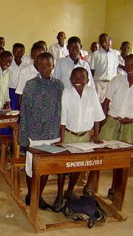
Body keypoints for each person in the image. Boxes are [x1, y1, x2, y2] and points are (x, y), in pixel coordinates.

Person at [52, 67, 105, 212]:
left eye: (82, 78)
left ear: (88, 80)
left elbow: (97, 115)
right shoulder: (67, 93)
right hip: (69, 134)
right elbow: (62, 118)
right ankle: (59, 195)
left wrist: (96, 135)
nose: (78, 81)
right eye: (74, 77)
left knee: (78, 165)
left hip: (85, 137)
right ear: (70, 80)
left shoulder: (91, 92)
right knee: (64, 167)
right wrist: (62, 139)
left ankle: (69, 191)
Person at [84, 54, 133, 198]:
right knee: (100, 154)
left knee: (123, 160)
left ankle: (115, 189)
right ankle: (90, 186)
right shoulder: (117, 81)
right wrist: (101, 126)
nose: (130, 68)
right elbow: (105, 104)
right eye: (127, 65)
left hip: (130, 125)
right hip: (113, 121)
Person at [19, 52, 63, 209]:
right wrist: (24, 138)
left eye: (49, 65)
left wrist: (60, 135)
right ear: (37, 66)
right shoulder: (30, 85)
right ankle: (32, 195)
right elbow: (24, 112)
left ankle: (38, 195)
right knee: (32, 168)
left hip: (52, 135)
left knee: (46, 168)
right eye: (42, 65)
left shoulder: (58, 85)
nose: (45, 68)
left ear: (53, 66)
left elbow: (60, 110)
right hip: (34, 135)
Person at [90, 33, 119, 103]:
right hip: (99, 83)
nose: (103, 41)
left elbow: (116, 67)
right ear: (99, 41)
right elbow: (92, 70)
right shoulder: (95, 54)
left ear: (109, 40)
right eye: (101, 39)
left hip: (111, 82)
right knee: (98, 103)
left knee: (110, 103)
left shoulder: (115, 54)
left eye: (105, 39)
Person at [15, 43, 45, 107]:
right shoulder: (25, 72)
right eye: (36, 56)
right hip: (30, 108)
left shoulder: (47, 72)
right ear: (32, 56)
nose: (38, 59)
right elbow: (21, 94)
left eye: (41, 56)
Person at [8, 43, 26, 110]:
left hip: (22, 91)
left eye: (20, 51)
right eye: (15, 51)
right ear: (13, 52)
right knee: (12, 111)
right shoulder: (9, 65)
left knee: (21, 110)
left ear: (23, 52)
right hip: (11, 91)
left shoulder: (26, 66)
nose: (17, 53)